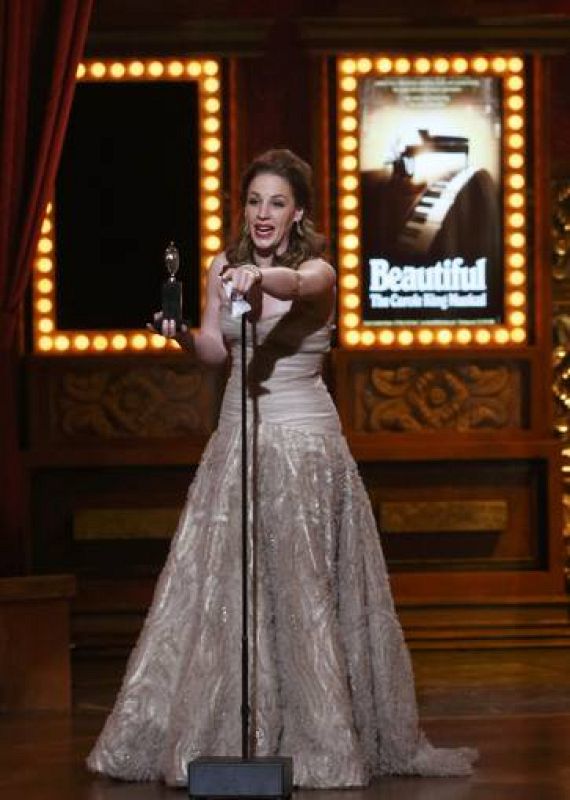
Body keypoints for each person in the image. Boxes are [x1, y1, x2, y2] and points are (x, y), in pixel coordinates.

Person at [87, 149, 477, 788]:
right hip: (237, 442)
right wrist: (182, 333)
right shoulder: (221, 265)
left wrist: (260, 280)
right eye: (254, 201)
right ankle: (227, 732)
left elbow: (297, 287)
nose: (262, 213)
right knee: (230, 588)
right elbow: (217, 352)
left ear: (298, 213)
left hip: (305, 448)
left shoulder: (316, 269)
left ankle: (318, 737)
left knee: (301, 591)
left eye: (276, 202)